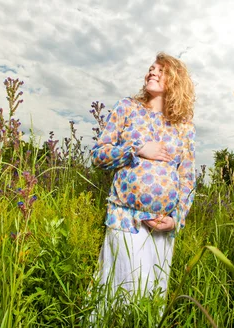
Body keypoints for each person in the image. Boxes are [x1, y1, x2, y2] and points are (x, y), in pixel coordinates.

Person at [90, 52, 196, 307]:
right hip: (126, 219)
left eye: (161, 70)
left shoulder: (184, 126)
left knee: (150, 301)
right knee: (118, 296)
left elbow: (188, 179)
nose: (152, 72)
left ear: (176, 81)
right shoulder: (128, 108)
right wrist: (136, 148)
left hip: (161, 228)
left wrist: (175, 220)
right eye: (151, 69)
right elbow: (98, 156)